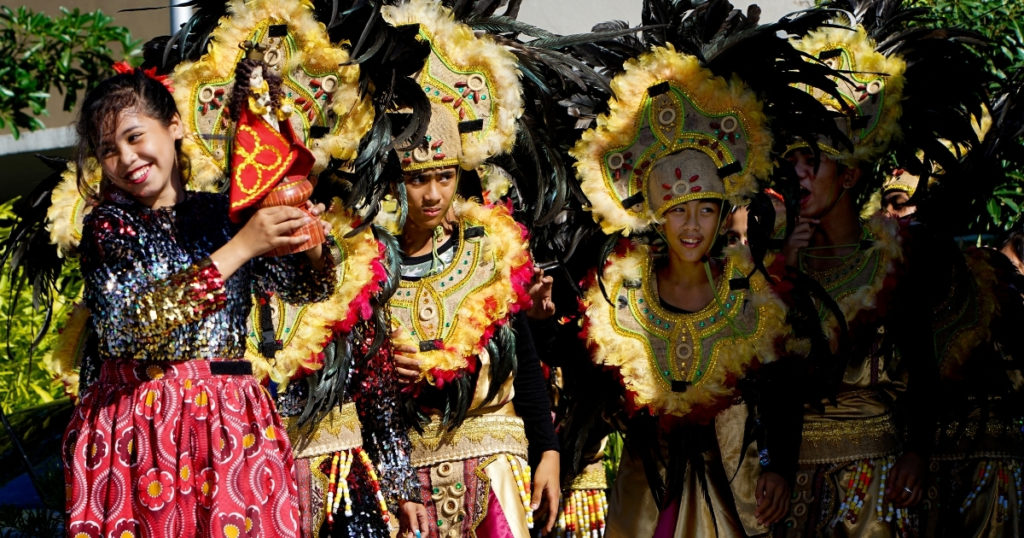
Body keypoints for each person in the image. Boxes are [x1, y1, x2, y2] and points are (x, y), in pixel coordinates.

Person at [61, 66, 335, 536]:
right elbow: (130, 323)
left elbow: (304, 289)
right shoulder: (108, 226)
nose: (126, 158)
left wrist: (306, 241)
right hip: (144, 427)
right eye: (109, 150)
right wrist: (242, 246)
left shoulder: (223, 213)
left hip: (232, 422)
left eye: (134, 137)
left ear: (174, 127)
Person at [571, 47, 801, 537]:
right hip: (648, 495)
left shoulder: (749, 295)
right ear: (657, 214)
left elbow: (781, 389)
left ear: (723, 212)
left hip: (735, 495)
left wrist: (781, 465)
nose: (693, 226)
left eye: (706, 210)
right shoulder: (622, 296)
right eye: (678, 210)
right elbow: (590, 386)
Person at [379, 1, 560, 536]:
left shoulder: (488, 249)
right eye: (417, 180)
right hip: (409, 480)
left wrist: (547, 449)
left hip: (493, 465)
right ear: (394, 180)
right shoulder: (372, 266)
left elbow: (523, 358)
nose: (433, 194)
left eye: (445, 176)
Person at [777, 22, 944, 537]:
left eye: (815, 162)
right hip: (801, 483)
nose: (800, 174)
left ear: (849, 175)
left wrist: (918, 450)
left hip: (877, 478)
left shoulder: (891, 259)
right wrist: (781, 276)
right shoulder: (784, 268)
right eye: (795, 162)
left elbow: (924, 361)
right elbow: (774, 380)